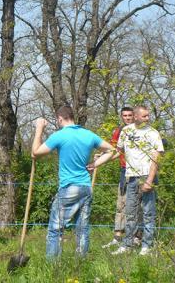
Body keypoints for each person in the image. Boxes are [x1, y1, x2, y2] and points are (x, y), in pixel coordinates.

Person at [31, 107, 114, 258]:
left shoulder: (60, 135)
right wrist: (95, 164)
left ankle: (52, 266)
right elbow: (111, 150)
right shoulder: (88, 134)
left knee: (55, 229)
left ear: (60, 119)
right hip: (86, 187)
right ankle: (80, 263)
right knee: (82, 229)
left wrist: (39, 130)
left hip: (69, 187)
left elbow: (35, 152)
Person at [90, 105, 164, 256]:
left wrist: (149, 180)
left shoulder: (152, 133)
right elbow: (118, 152)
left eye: (148, 116)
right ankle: (127, 245)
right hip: (130, 177)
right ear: (136, 117)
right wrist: (97, 163)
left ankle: (146, 246)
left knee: (148, 214)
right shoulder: (126, 131)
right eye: (144, 116)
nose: (147, 118)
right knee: (130, 213)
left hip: (146, 177)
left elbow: (156, 158)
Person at [101, 107, 142, 249]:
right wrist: (101, 158)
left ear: (134, 116)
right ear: (121, 117)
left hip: (139, 171)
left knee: (137, 206)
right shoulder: (118, 131)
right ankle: (117, 237)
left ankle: (137, 237)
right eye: (125, 115)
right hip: (124, 170)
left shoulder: (141, 130)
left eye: (130, 115)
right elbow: (113, 150)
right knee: (121, 204)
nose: (128, 118)